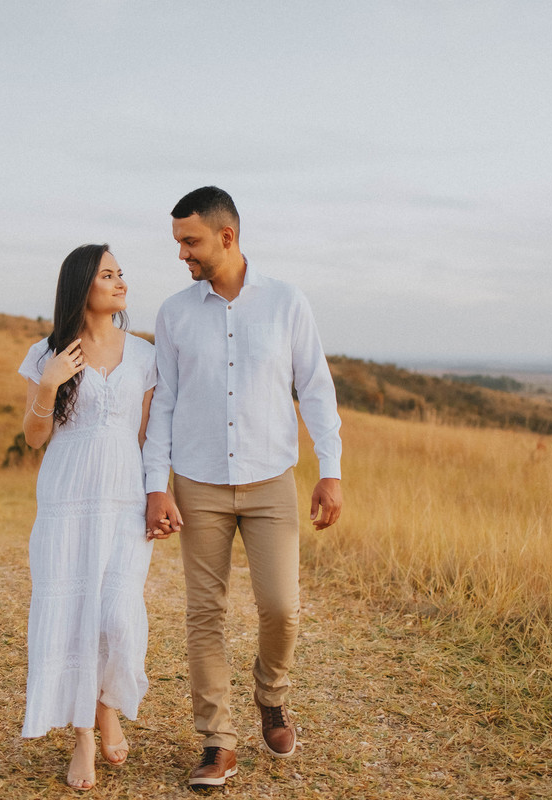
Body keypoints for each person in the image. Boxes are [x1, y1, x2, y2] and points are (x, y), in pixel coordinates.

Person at [143, 186, 344, 788]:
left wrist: (330, 470)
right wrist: (157, 485)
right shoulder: (174, 314)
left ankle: (272, 696)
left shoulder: (286, 302)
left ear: (226, 237)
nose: (182, 254)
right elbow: (165, 403)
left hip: (270, 480)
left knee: (282, 607)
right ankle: (217, 741)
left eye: (190, 241)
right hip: (197, 483)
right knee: (204, 612)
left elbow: (315, 388)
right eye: (179, 242)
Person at [17, 243, 158, 791]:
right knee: (74, 613)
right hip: (67, 498)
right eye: (107, 275)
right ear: (82, 285)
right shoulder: (46, 352)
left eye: (121, 273)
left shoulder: (143, 354)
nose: (121, 282)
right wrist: (49, 382)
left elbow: (147, 435)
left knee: (117, 613)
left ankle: (106, 707)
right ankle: (83, 737)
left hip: (124, 496)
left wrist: (159, 493)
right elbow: (35, 438)